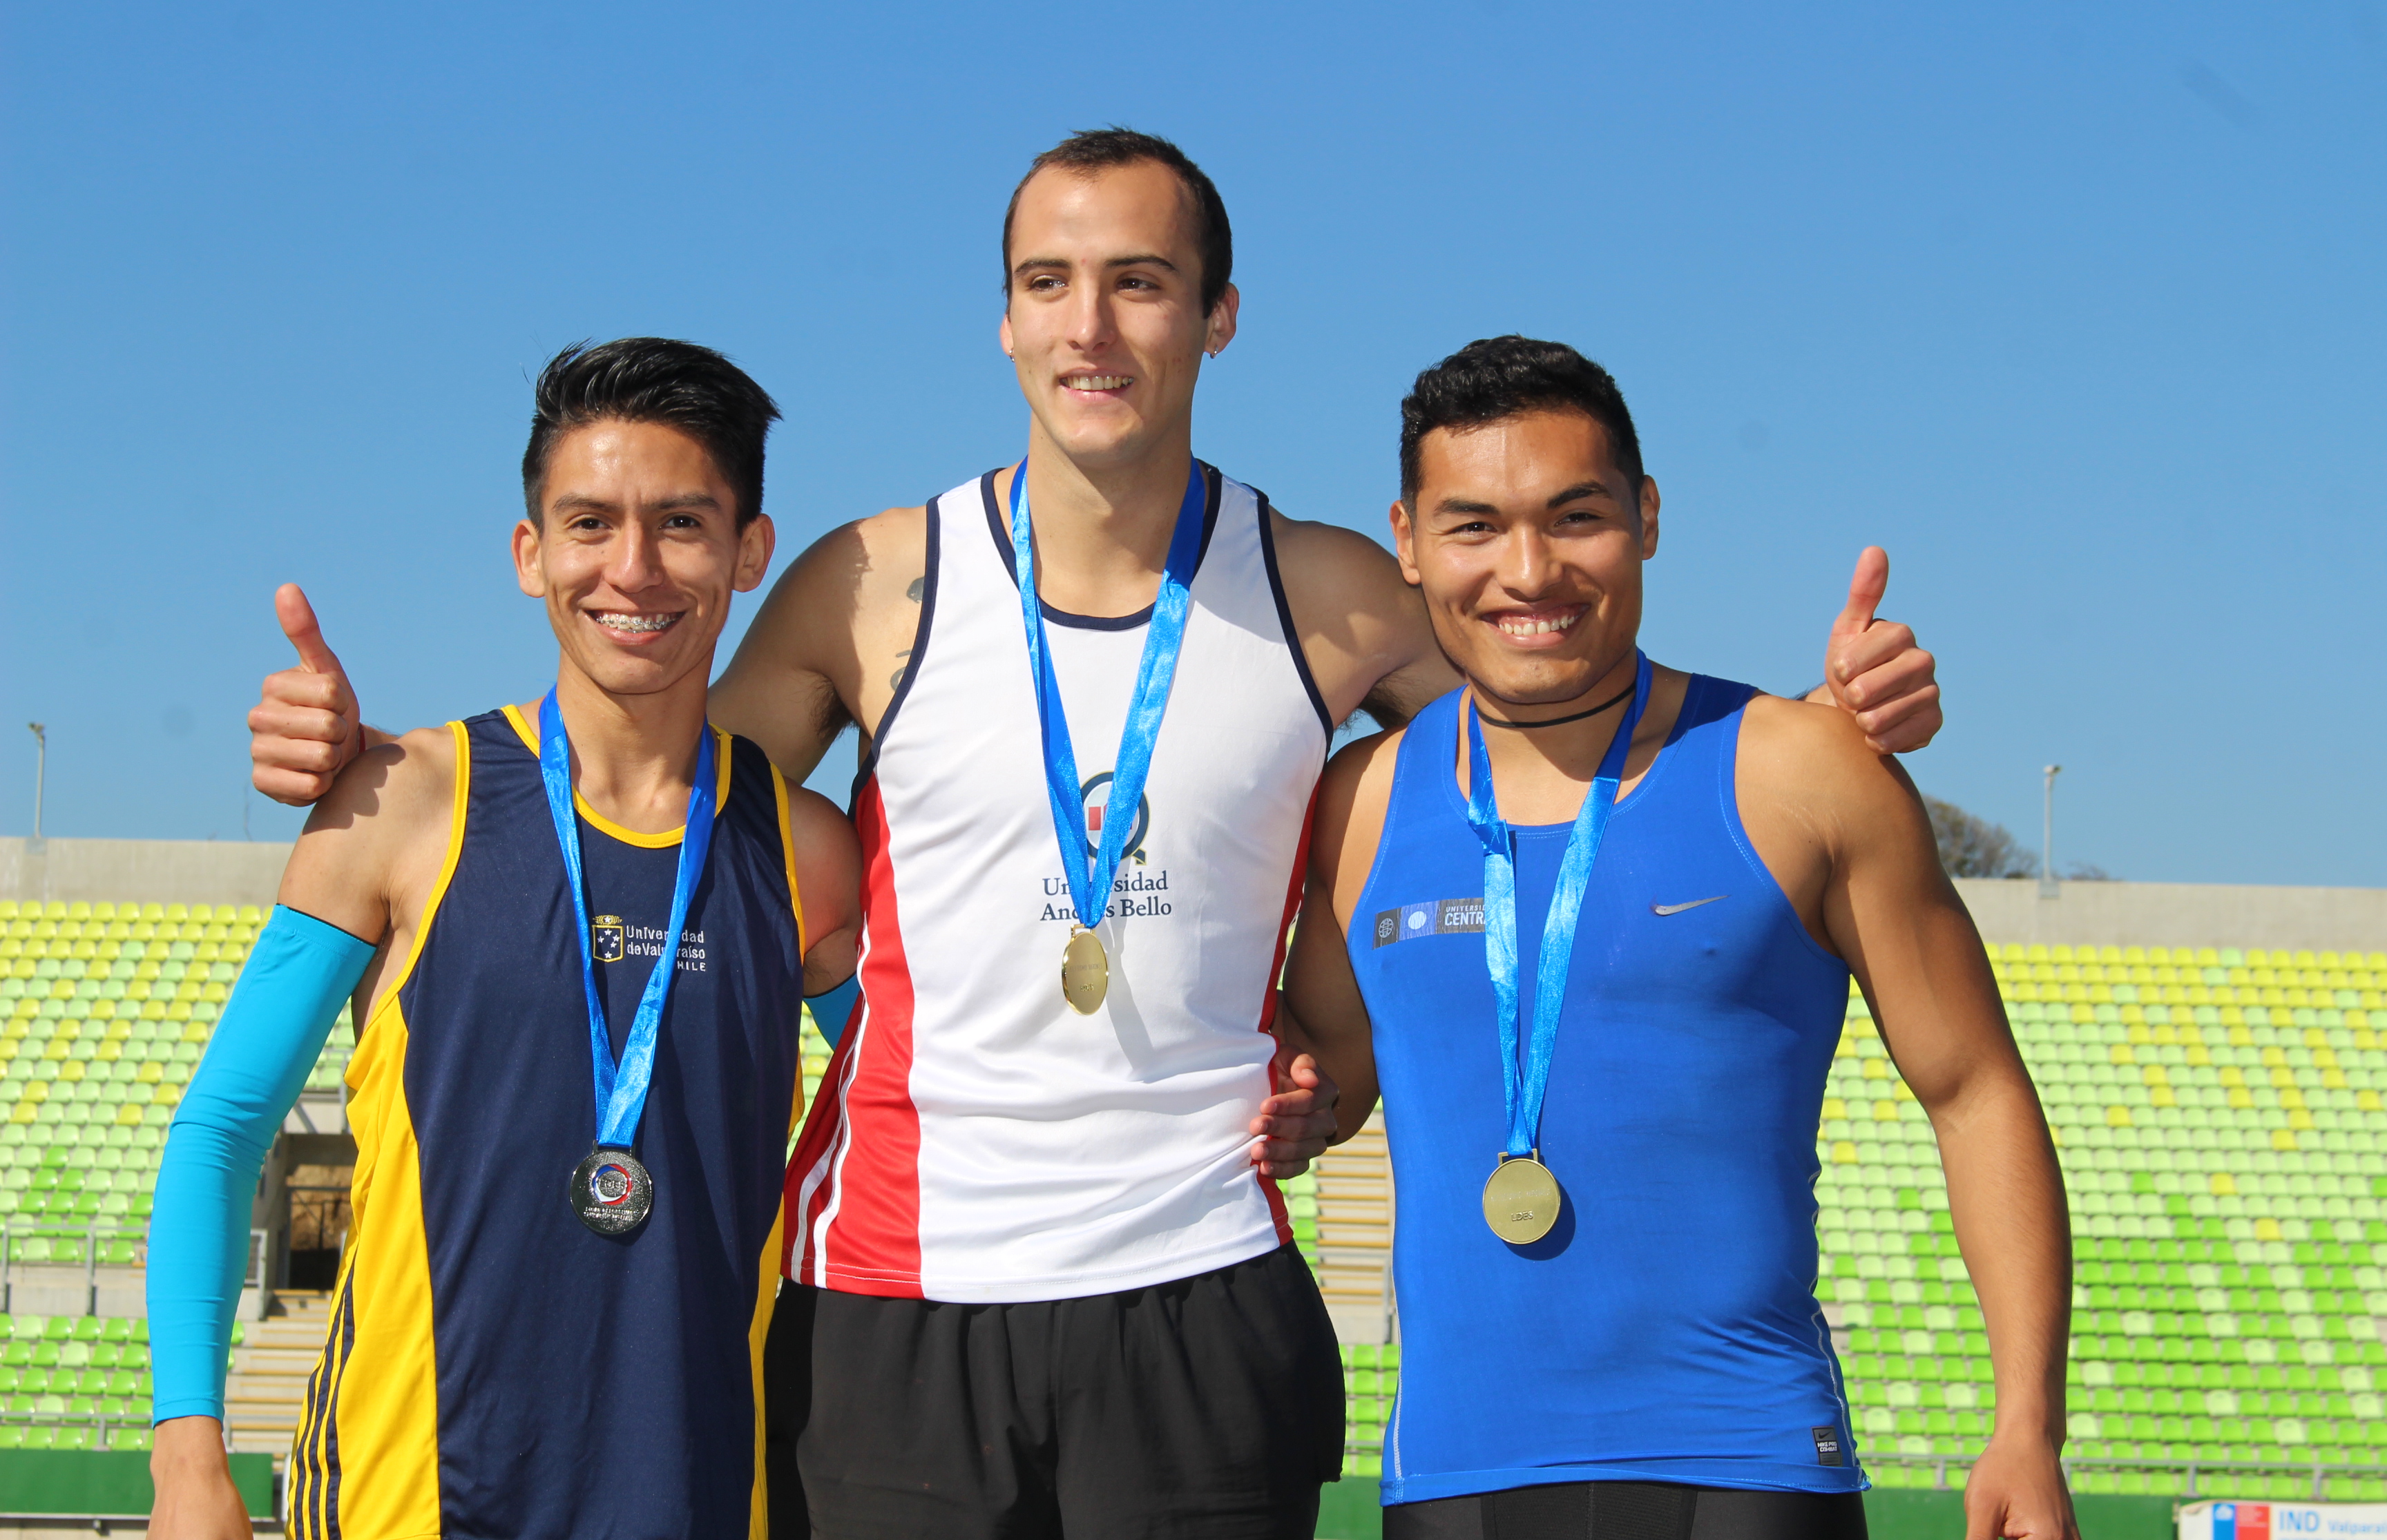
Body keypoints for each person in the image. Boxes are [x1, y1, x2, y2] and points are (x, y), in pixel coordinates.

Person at [244, 133, 1947, 1537]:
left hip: (1198, 1290)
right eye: (1051, 282)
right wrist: (367, 759)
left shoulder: (1331, 593)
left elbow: (1560, 711)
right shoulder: (873, 583)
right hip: (894, 1299)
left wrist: (1795, 731)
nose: (1094, 325)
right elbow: (641, 792)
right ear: (1002, 321)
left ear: (1216, 316)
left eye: (1140, 280)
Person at [1279, 336, 2076, 1540]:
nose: (1528, 571)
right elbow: (1327, 1084)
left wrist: (2027, 1426)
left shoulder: (1805, 773)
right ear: (1409, 541)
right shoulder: (1362, 804)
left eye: (1576, 517)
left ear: (1646, 516)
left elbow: (1976, 1093)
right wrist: (1294, 1102)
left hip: (1746, 1467)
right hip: (1451, 1478)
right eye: (1475, 526)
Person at [152, 339, 861, 1540]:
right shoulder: (401, 804)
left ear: (749, 552)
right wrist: (187, 1456)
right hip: (403, 1503)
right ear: (531, 553)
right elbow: (223, 1127)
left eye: (682, 524)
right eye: (590, 524)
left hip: (699, 1503)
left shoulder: (806, 853)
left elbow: (925, 1107)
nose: (632, 568)